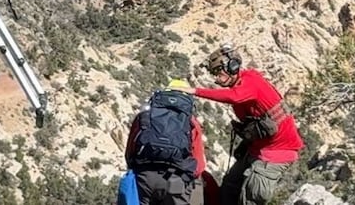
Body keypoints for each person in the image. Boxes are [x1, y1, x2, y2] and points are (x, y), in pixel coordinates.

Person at [171, 43, 304, 205]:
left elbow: (234, 97)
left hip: (276, 154)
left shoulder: (250, 83)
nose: (216, 78)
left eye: (218, 73)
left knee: (250, 198)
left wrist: (194, 91)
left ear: (232, 67)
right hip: (258, 149)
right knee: (229, 186)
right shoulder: (244, 80)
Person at [124, 79, 207, 205]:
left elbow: (130, 150)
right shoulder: (191, 122)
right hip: (176, 179)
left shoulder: (145, 115)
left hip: (144, 177)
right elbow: (199, 165)